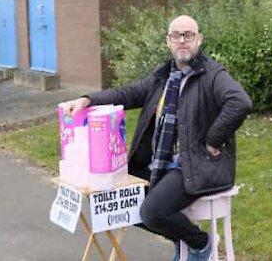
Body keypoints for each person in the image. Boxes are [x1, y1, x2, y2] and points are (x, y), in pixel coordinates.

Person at [62, 15, 252, 261]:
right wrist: (88, 99)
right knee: (114, 200)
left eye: (188, 35)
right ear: (168, 41)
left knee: (151, 212)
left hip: (194, 164)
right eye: (176, 35)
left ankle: (201, 244)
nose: (182, 40)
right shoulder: (164, 76)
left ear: (199, 40)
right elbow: (128, 93)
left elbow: (240, 102)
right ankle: (184, 238)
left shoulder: (212, 75)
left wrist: (213, 140)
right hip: (162, 163)